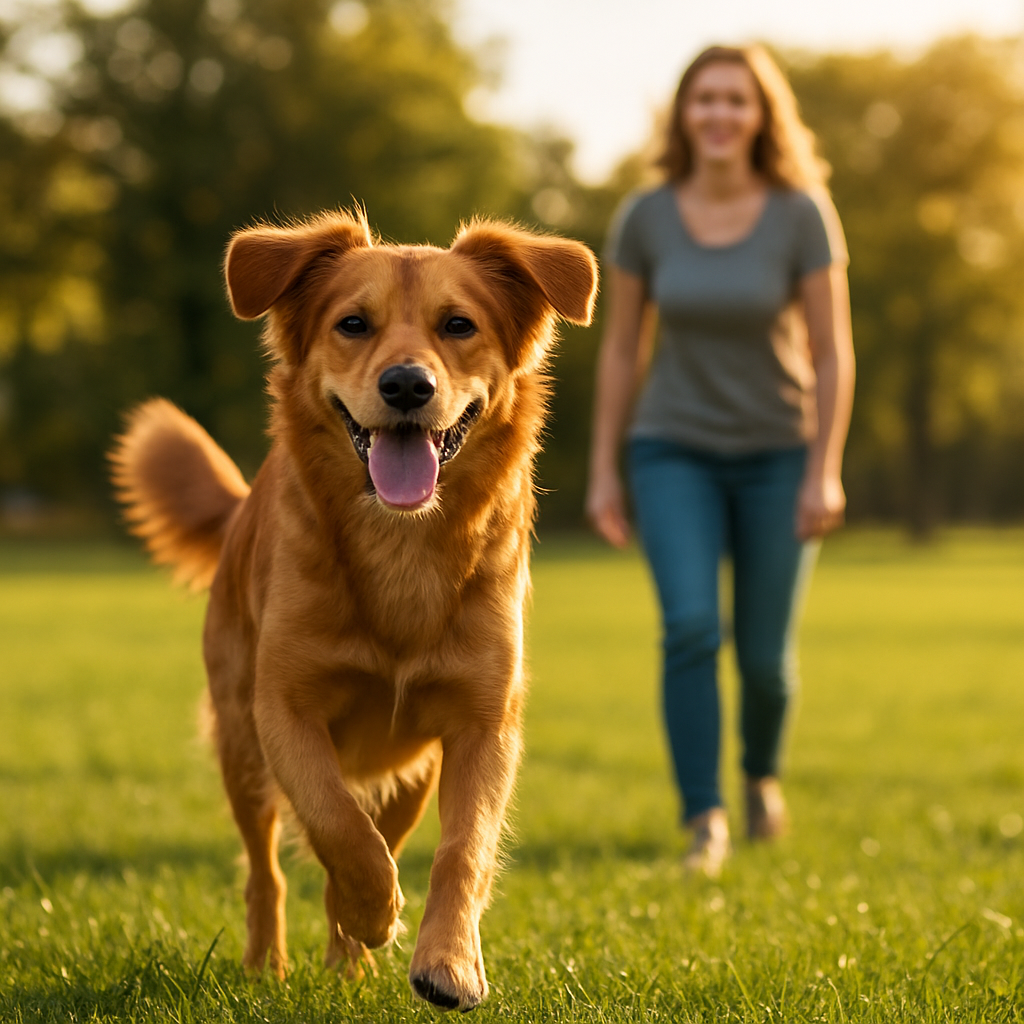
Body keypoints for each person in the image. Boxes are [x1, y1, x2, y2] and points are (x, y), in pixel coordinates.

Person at [586, 44, 855, 877]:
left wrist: (824, 467)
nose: (719, 114)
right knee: (692, 629)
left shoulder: (801, 213)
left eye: (737, 100)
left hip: (779, 451)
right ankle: (705, 816)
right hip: (673, 451)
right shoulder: (646, 216)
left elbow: (833, 350)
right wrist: (605, 469)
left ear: (762, 115)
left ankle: (760, 776)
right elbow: (622, 351)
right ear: (683, 113)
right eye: (704, 99)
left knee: (767, 659)